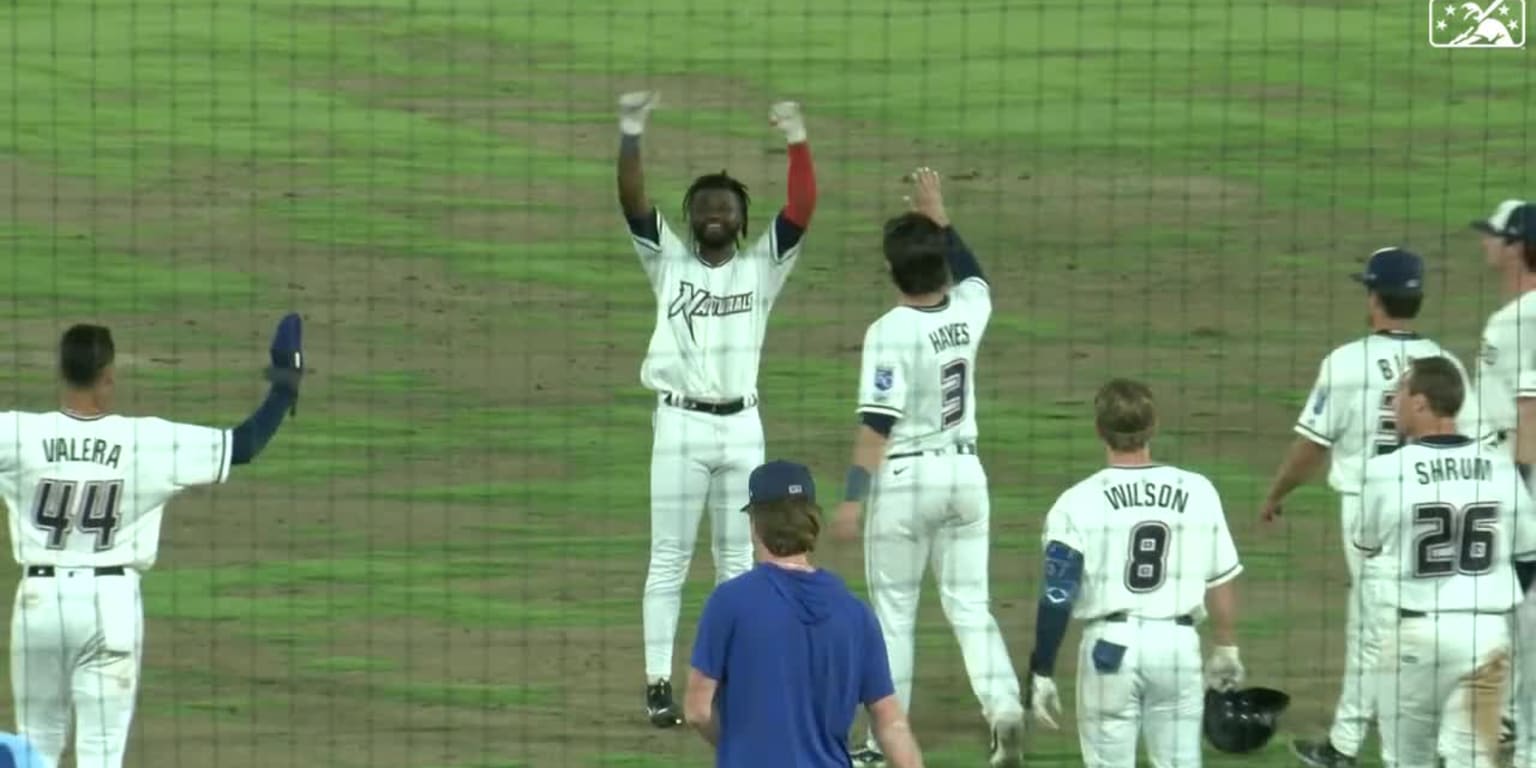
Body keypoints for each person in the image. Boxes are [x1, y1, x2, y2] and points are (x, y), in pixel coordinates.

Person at [1, 317, 304, 768]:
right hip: (111, 606)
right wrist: (285, 382)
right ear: (108, 377)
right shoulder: (147, 440)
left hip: (39, 605)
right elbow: (243, 445)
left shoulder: (17, 433)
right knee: (100, 756)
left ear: (62, 372)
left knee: (35, 749)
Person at [614, 90, 820, 726]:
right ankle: (656, 683)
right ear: (690, 216)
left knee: (736, 563)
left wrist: (797, 137)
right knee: (669, 558)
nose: (713, 215)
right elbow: (632, 202)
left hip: (742, 430)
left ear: (740, 218)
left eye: (725, 208)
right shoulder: (667, 261)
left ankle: (731, 679)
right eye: (703, 207)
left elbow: (802, 208)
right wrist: (631, 131)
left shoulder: (764, 267)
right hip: (678, 424)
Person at [831, 168, 1025, 768]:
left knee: (893, 616)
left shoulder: (888, 331)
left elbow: (877, 426)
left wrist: (852, 498)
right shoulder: (968, 312)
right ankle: (1004, 710)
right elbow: (977, 275)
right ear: (940, 265)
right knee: (970, 605)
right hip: (967, 477)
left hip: (907, 483)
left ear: (892, 271)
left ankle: (878, 744)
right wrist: (942, 217)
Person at [1255, 247, 1471, 768]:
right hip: (1440, 502)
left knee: (1375, 628)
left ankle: (1348, 745)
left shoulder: (1347, 361)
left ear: (1374, 296)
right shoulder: (1446, 364)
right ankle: (1432, 734)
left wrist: (1277, 493)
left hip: (1370, 509)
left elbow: (1311, 447)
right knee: (1430, 618)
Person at [1026, 379, 1245, 768]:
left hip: (1111, 650)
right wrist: (1226, 647)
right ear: (1154, 426)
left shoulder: (1076, 502)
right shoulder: (1196, 490)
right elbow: (1221, 578)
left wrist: (1041, 668)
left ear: (1099, 430)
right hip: (1177, 649)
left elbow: (1058, 594)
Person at [1354, 356, 1536, 768]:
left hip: (1416, 635)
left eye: (1399, 394)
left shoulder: (1384, 471)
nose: (1393, 403)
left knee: (1408, 760)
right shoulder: (1500, 468)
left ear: (1420, 403)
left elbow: (1366, 546)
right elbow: (1529, 556)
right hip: (1486, 636)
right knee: (1472, 760)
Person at [684, 460, 925, 768]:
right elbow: (892, 724)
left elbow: (697, 710)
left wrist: (739, 746)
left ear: (755, 522)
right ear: (811, 520)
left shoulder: (730, 602)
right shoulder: (855, 613)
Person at [1460, 199, 1536, 767]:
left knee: (1517, 617)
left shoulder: (1521, 320)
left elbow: (1529, 410)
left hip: (1517, 483)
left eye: (1494, 236)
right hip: (1513, 479)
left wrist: (1520, 495)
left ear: (1517, 247)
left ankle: (1517, 730)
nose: (1485, 242)